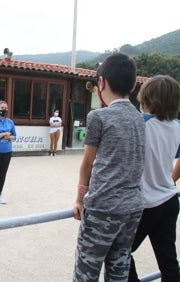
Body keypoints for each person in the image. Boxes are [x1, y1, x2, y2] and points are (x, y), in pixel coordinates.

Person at [73, 52, 145, 281]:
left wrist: (79, 199)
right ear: (133, 85)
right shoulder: (140, 119)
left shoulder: (99, 117)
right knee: (119, 267)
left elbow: (87, 165)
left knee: (87, 270)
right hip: (132, 208)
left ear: (101, 82)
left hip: (103, 207)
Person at [128, 75, 180, 282]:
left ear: (146, 98)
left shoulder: (140, 124)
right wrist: (171, 179)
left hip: (145, 204)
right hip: (169, 199)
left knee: (119, 252)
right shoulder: (177, 126)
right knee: (168, 260)